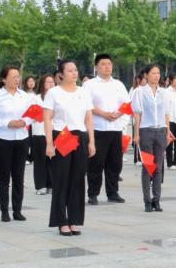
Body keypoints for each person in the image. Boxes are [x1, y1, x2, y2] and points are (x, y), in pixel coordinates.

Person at [43, 59, 96, 236]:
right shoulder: (54, 93)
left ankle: (74, 220)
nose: (74, 73)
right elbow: (47, 118)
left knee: (77, 180)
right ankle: (61, 221)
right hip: (62, 136)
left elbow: (88, 118)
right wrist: (49, 143)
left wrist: (91, 141)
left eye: (75, 70)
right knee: (61, 180)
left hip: (80, 136)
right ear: (61, 74)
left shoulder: (83, 92)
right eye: (70, 70)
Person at [0, 66, 33, 222]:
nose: (16, 79)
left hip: (22, 139)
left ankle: (17, 210)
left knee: (18, 177)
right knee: (4, 177)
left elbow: (32, 114)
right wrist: (7, 123)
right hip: (3, 140)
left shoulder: (24, 95)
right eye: (13, 76)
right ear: (4, 79)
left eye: (17, 76)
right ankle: (4, 211)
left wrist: (24, 121)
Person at [86, 54, 129, 205]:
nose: (107, 67)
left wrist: (118, 113)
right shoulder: (90, 85)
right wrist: (104, 114)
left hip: (115, 129)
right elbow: (87, 105)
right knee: (96, 164)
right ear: (96, 67)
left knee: (115, 164)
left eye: (109, 64)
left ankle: (113, 193)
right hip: (98, 129)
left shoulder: (118, 84)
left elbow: (126, 104)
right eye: (103, 64)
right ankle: (93, 194)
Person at [132, 63, 169, 213]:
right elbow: (137, 114)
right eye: (153, 73)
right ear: (146, 75)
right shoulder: (139, 92)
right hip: (146, 131)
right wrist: (136, 134)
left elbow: (166, 113)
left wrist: (168, 131)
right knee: (148, 167)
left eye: (158, 73)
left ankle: (156, 200)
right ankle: (147, 201)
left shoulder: (163, 92)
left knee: (158, 167)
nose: (156, 76)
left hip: (161, 131)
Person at [30, 74, 54, 195]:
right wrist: (49, 114)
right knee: (40, 161)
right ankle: (40, 186)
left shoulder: (57, 97)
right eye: (48, 82)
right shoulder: (36, 98)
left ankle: (51, 185)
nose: (51, 84)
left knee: (52, 161)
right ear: (42, 84)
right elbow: (34, 116)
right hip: (39, 133)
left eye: (52, 82)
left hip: (54, 133)